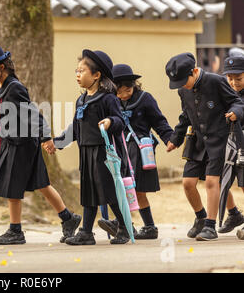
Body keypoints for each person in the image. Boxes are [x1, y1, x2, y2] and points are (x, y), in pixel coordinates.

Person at [0, 44, 81, 245]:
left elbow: (32, 113)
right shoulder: (1, 86)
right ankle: (68, 218)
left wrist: (45, 136)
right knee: (42, 184)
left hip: (22, 144)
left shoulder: (15, 87)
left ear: (2, 67)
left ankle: (15, 231)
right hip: (15, 141)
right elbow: (1, 114)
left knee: (13, 186)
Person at [53, 50, 131, 245]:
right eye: (76, 71)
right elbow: (76, 128)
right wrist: (57, 142)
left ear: (96, 75)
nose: (77, 75)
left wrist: (109, 122)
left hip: (104, 153)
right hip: (86, 151)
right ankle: (86, 233)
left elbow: (120, 122)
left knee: (109, 193)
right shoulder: (82, 100)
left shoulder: (108, 99)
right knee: (88, 193)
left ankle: (124, 228)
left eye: (82, 71)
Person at [166, 52, 244, 241]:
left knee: (212, 182)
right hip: (198, 142)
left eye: (185, 80)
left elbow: (236, 101)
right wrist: (175, 139)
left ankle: (210, 226)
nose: (183, 85)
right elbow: (185, 115)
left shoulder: (216, 81)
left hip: (219, 140)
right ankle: (201, 217)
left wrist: (234, 113)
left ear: (194, 71)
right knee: (188, 183)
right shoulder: (183, 90)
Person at [98, 64, 173, 240]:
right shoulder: (109, 101)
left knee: (137, 189)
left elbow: (159, 121)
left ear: (134, 85)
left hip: (140, 150)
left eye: (128, 90)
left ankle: (148, 226)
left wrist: (170, 138)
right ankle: (123, 222)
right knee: (121, 187)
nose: (124, 95)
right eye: (120, 91)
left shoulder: (145, 99)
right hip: (120, 149)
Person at [218, 55, 244, 239]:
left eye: (239, 78)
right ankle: (233, 213)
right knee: (220, 179)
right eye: (230, 78)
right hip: (227, 143)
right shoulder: (224, 92)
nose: (234, 82)